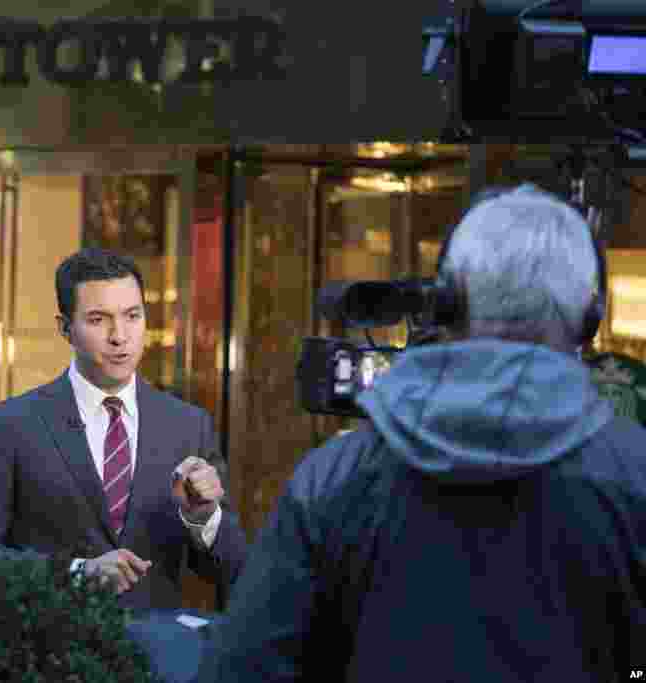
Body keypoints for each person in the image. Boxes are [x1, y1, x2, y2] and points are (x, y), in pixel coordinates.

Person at [195, 185, 646, 682]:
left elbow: (244, 668)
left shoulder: (337, 477)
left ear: (451, 302)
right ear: (590, 313)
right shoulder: (634, 473)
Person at [0, 247, 247, 610]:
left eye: (132, 316)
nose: (120, 336)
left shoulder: (188, 426)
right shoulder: (12, 424)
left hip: (156, 655)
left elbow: (234, 569)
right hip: (51, 648)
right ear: (65, 329)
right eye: (98, 319)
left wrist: (203, 518)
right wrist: (76, 573)